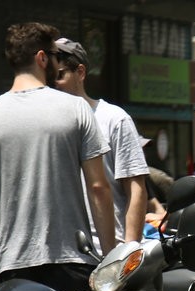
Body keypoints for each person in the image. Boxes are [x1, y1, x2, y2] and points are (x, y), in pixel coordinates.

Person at [0, 22, 116, 291]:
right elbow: (98, 188)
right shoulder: (77, 109)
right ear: (42, 58)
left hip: (12, 268)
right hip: (71, 263)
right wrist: (110, 258)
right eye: (56, 59)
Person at [54, 37, 148, 248]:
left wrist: (128, 251)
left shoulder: (114, 118)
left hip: (108, 251)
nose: (54, 83)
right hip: (61, 253)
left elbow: (136, 188)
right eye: (49, 77)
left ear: (80, 72)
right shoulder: (43, 124)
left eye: (60, 76)